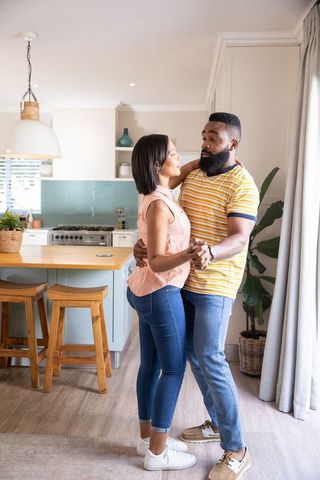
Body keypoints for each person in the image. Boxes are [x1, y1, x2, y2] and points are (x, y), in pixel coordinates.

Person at [134, 112, 259, 480]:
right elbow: (163, 209)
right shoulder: (195, 172)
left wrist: (210, 252)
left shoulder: (243, 185)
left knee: (210, 357)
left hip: (216, 282)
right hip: (182, 280)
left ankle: (236, 449)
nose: (205, 143)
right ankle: (217, 422)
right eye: (204, 136)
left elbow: (239, 238)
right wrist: (143, 244)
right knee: (192, 355)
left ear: (233, 143)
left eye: (214, 138)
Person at [127, 133, 207, 472]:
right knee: (173, 369)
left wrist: (204, 162)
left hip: (143, 290)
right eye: (173, 153)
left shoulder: (154, 192)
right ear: (158, 164)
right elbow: (158, 260)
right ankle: (157, 453)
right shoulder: (160, 204)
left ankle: (147, 438)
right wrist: (187, 254)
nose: (179, 156)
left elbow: (183, 171)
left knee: (150, 367)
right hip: (160, 292)